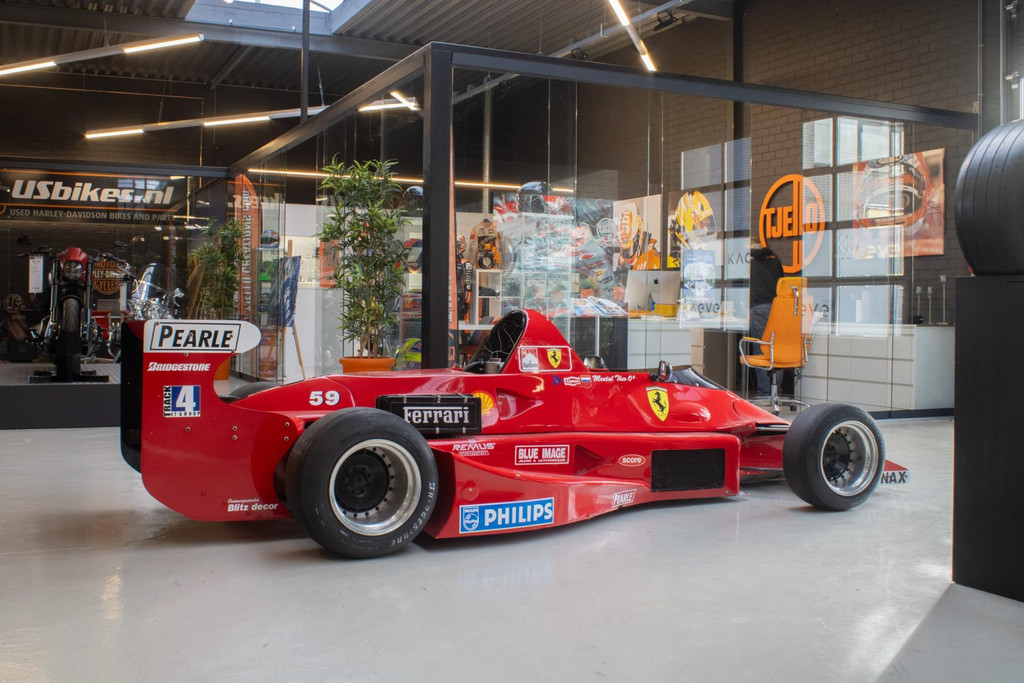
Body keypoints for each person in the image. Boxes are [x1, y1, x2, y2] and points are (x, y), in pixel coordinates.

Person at [748, 243, 784, 396]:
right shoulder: (775, 260)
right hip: (777, 308)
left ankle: (764, 393)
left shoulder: (751, 265)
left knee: (761, 350)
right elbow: (781, 282)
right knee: (776, 349)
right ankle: (776, 392)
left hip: (758, 309)